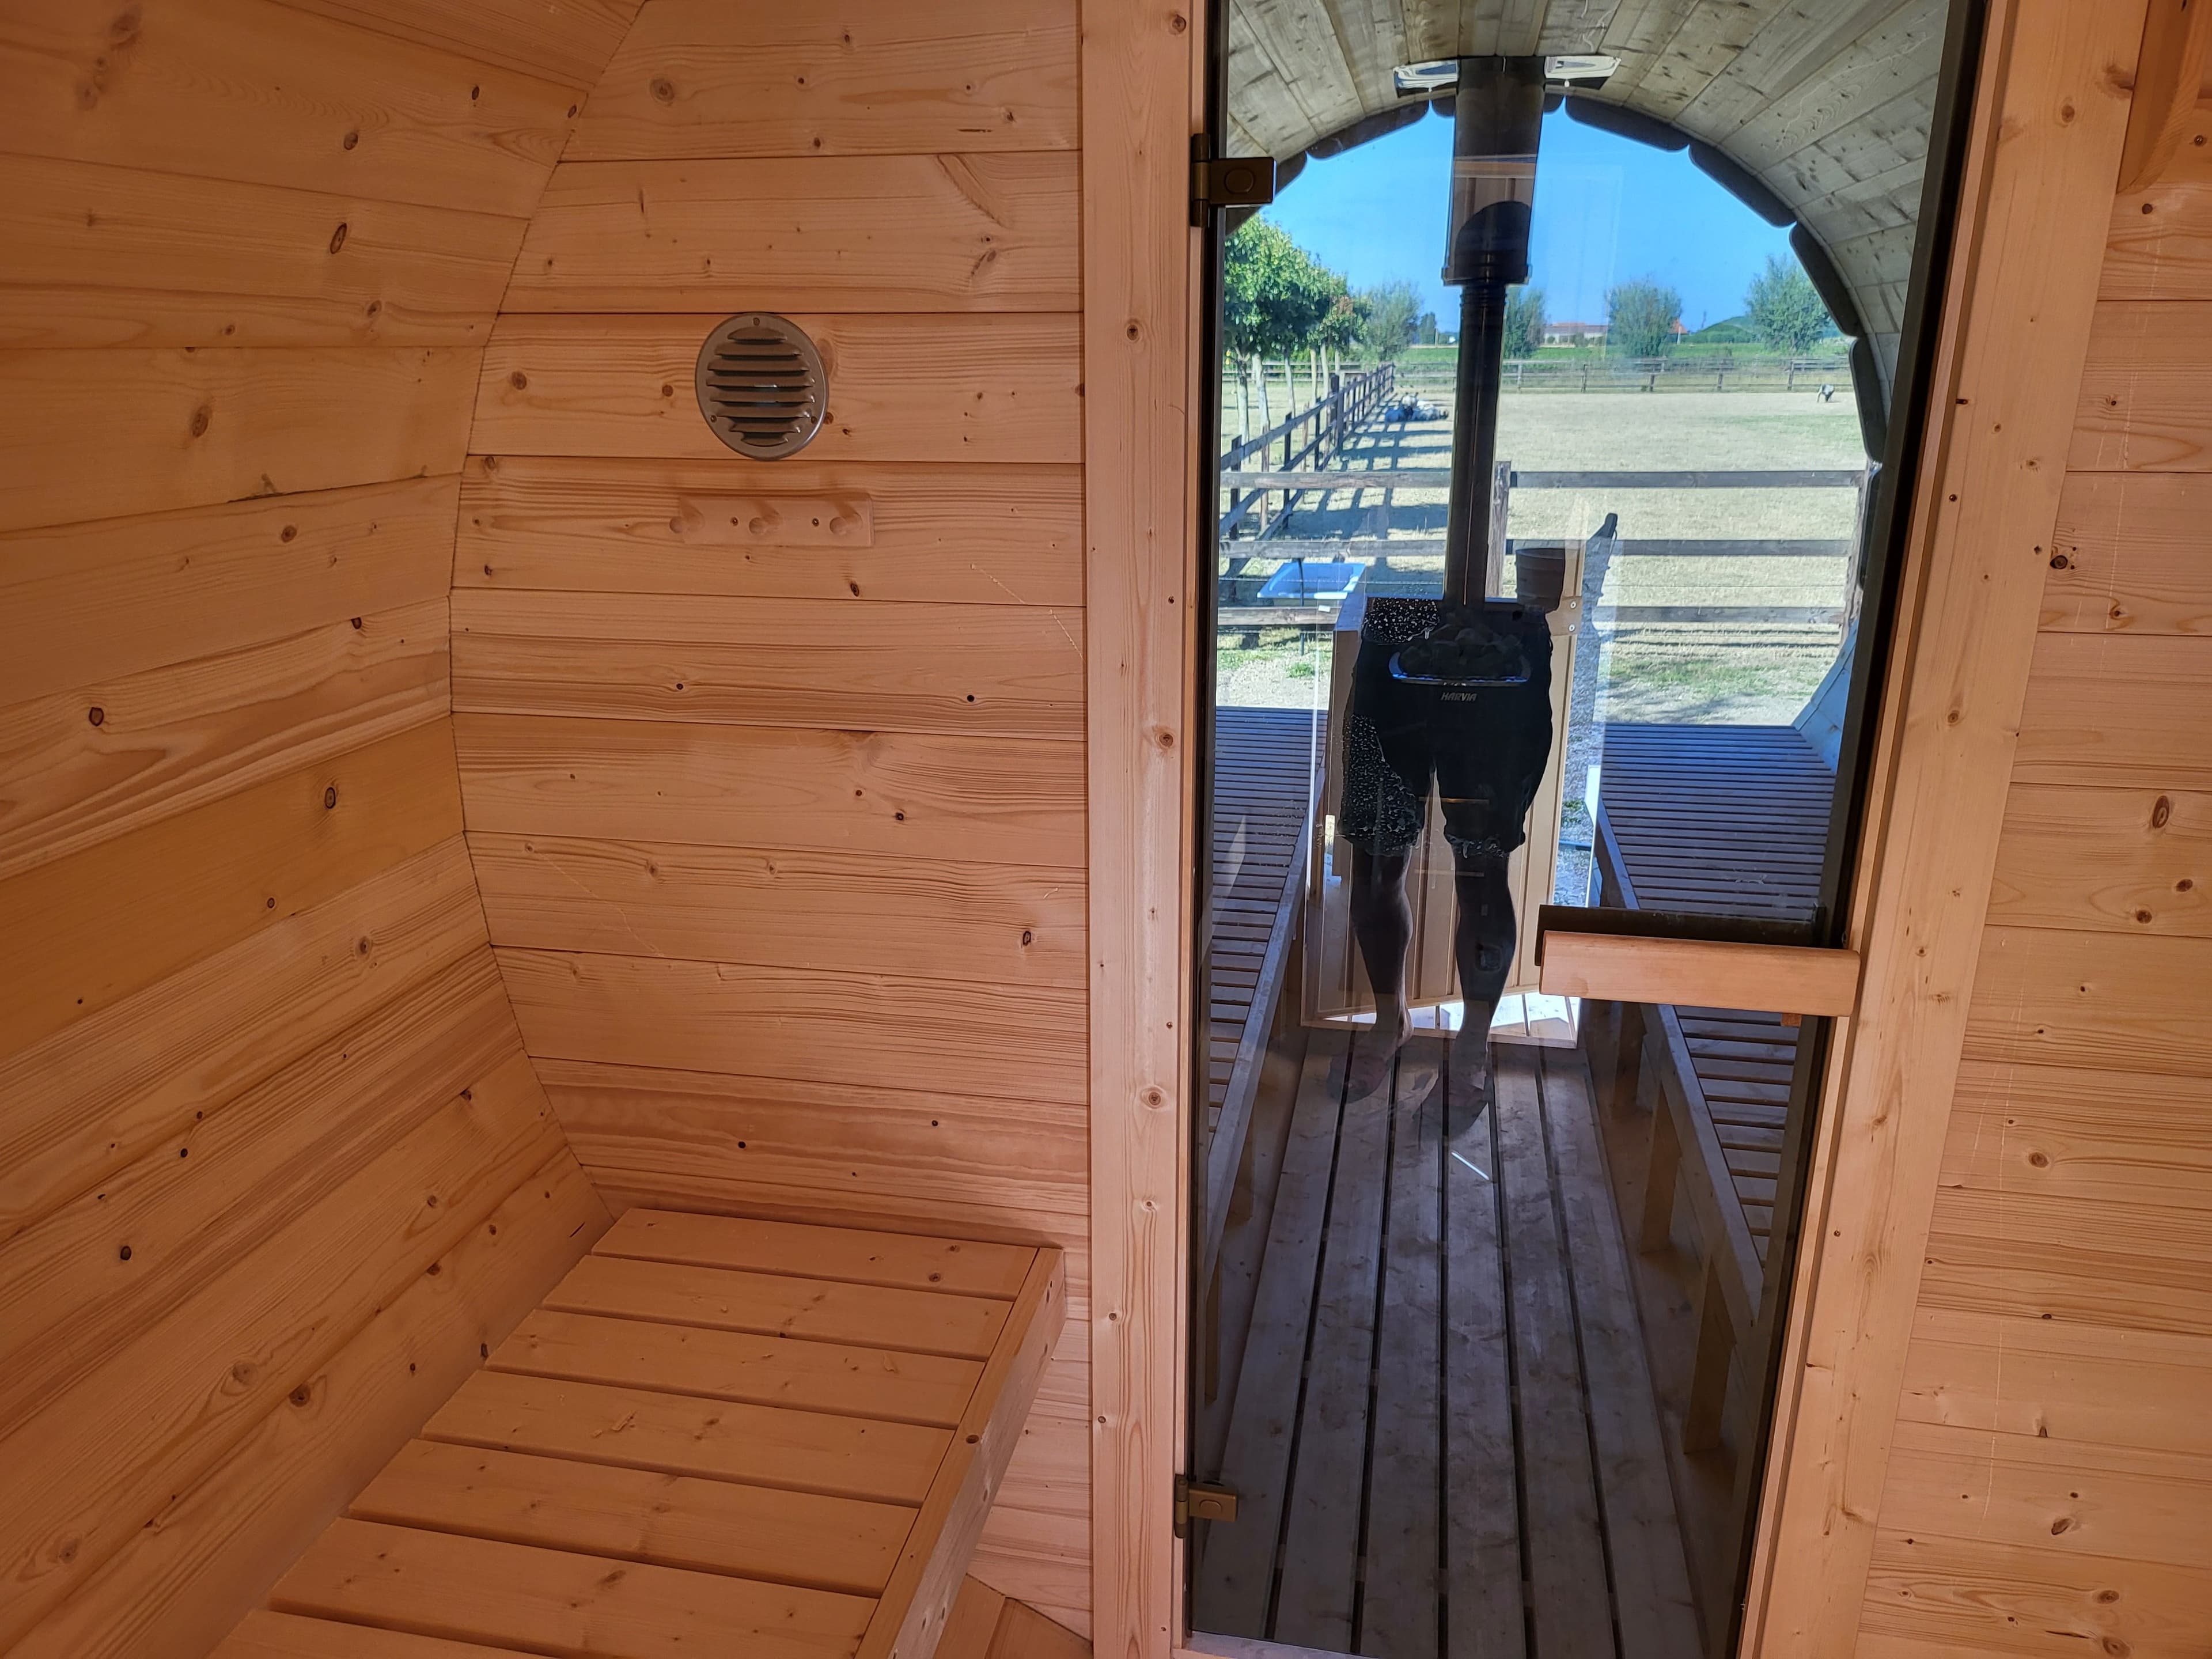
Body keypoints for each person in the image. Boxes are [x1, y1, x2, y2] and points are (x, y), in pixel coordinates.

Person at [1339, 597, 1554, 1104]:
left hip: (1504, 631)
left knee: (1484, 864)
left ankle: (1473, 1041)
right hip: (1397, 619)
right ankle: (1388, 1019)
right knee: (1376, 855)